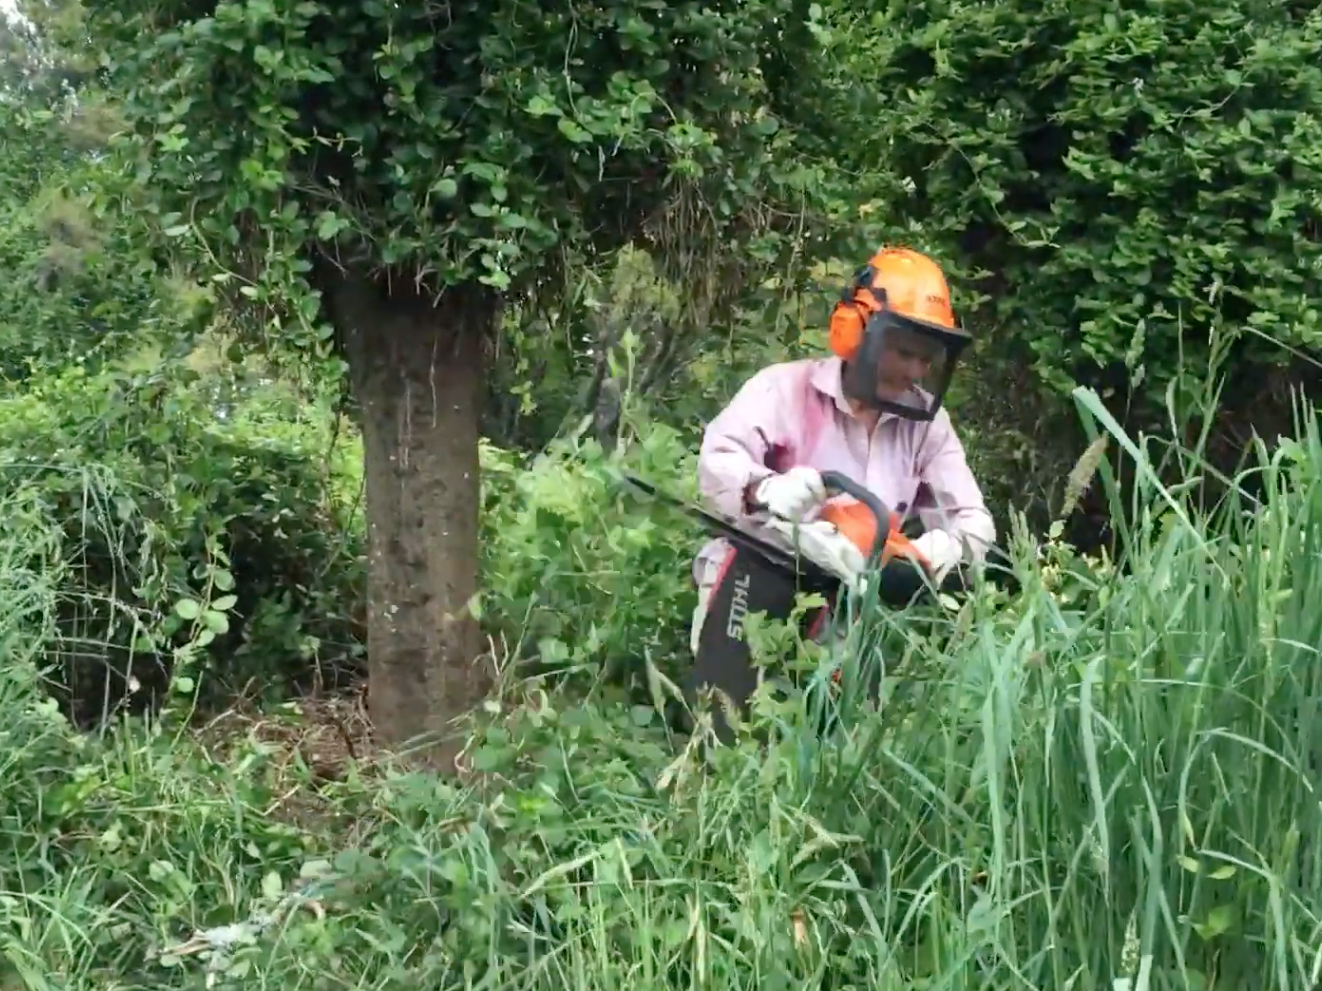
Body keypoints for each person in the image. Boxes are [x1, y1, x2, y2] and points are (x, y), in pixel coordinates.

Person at [689, 246, 996, 654]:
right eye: (904, 352)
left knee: (844, 713)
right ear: (856, 330)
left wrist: (934, 553)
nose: (915, 372)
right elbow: (717, 461)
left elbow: (974, 520)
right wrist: (764, 490)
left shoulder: (926, 425)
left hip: (856, 603)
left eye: (925, 359)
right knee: (727, 708)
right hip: (763, 571)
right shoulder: (785, 389)